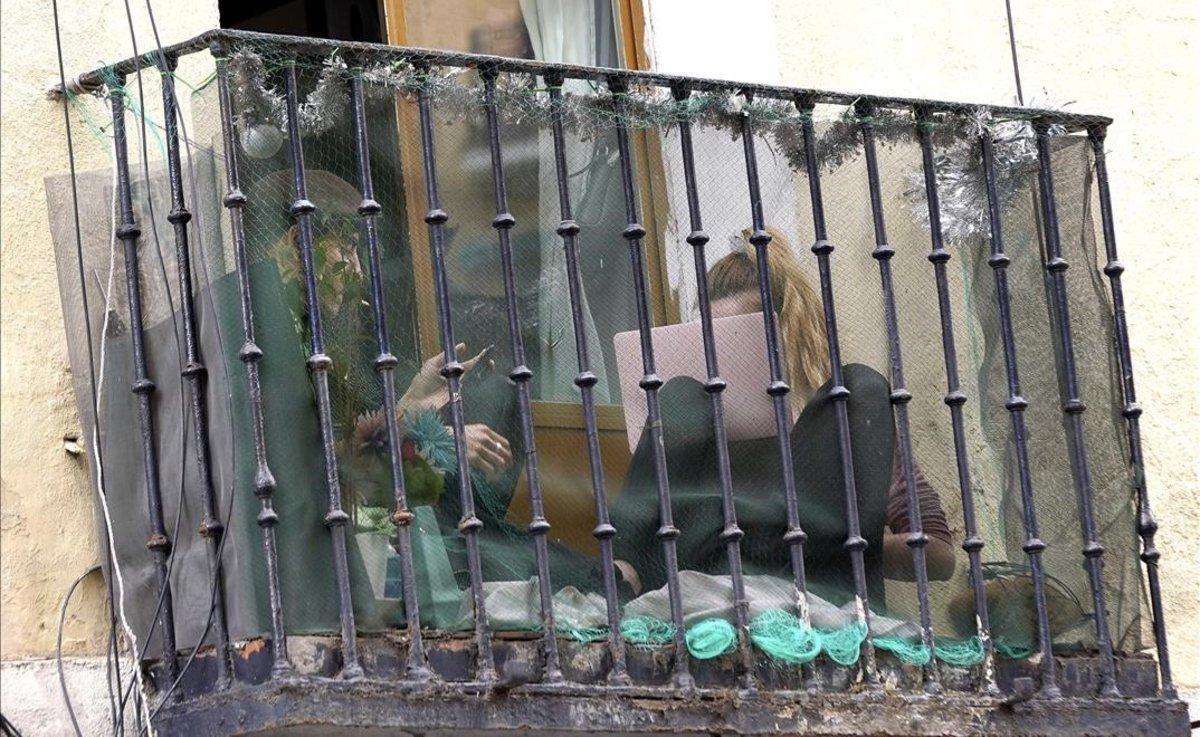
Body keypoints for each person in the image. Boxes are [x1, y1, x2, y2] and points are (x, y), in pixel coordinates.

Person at [611, 226, 955, 608]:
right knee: (678, 393)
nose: (724, 358)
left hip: (813, 578)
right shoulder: (695, 420)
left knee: (860, 386)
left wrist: (855, 540)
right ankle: (617, 572)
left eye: (737, 339)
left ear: (785, 331)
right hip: (708, 574)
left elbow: (940, 556)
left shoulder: (844, 423)